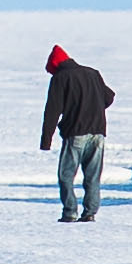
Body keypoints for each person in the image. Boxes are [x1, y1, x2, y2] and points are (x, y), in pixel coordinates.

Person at [40, 41, 114, 220]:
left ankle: (70, 212)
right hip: (98, 133)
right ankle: (90, 213)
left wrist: (46, 141)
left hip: (76, 133)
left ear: (55, 66)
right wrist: (93, 107)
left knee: (66, 176)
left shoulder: (60, 78)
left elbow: (52, 111)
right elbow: (109, 96)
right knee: (92, 176)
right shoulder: (93, 73)